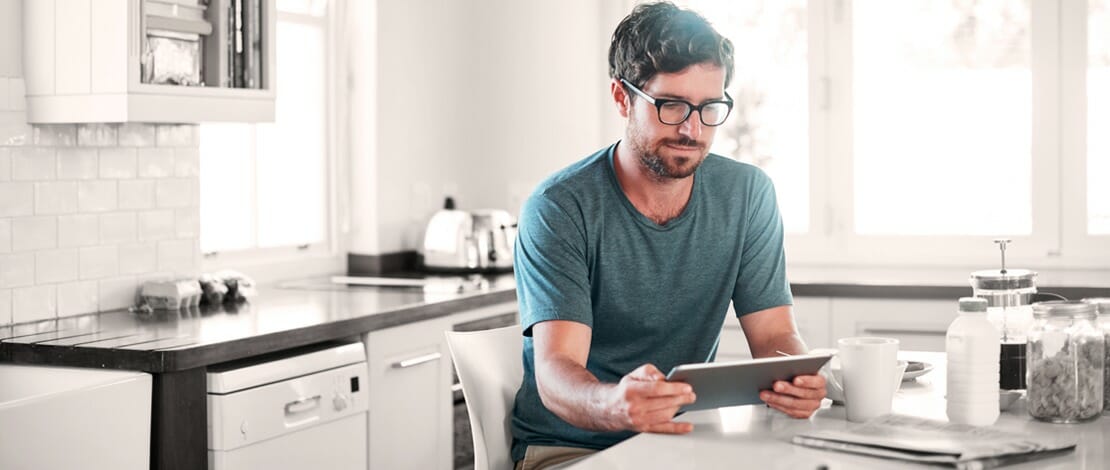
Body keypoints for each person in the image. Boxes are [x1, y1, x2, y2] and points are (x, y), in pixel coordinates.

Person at [510, 2, 826, 469]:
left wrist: (795, 376)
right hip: (568, 450)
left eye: (709, 107)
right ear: (622, 97)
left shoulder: (747, 194)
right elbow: (556, 374)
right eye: (671, 105)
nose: (692, 129)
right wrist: (615, 403)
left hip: (684, 444)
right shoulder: (560, 206)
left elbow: (776, 334)